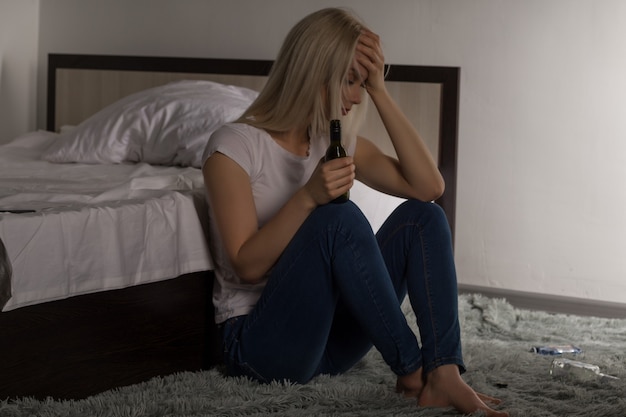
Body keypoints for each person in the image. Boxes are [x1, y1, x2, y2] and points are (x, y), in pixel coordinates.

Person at [202, 7, 508, 417]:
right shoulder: (234, 146)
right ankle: (413, 369)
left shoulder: (334, 143)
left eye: (362, 83)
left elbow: (429, 188)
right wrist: (309, 196)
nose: (357, 96)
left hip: (329, 346)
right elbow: (246, 266)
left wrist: (381, 89)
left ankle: (444, 373)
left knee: (425, 217)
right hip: (260, 347)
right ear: (313, 72)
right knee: (336, 219)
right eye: (350, 81)